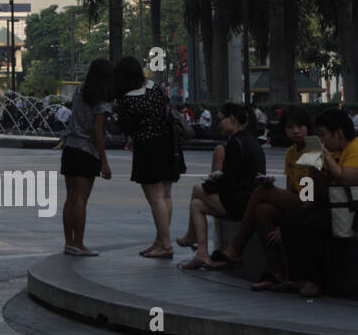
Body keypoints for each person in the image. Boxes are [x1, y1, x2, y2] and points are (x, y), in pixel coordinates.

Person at [205, 105, 312, 277]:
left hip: (311, 203)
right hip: (298, 200)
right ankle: (277, 273)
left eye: (300, 126)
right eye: (290, 127)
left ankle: (235, 248)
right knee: (262, 211)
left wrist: (287, 224)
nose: (295, 131)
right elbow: (292, 188)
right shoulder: (291, 152)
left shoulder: (312, 147)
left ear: (308, 127)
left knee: (262, 192)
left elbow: (309, 194)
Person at [177, 104, 265, 271]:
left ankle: (191, 235)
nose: (219, 125)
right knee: (196, 205)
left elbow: (229, 181)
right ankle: (201, 252)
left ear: (231, 119)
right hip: (246, 198)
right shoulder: (251, 141)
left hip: (240, 201)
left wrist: (211, 183)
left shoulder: (235, 142)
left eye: (220, 120)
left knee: (197, 189)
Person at [113, 55, 183, 258]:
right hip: (170, 143)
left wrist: (131, 138)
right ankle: (161, 240)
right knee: (166, 194)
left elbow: (126, 126)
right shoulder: (156, 88)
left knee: (155, 198)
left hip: (148, 147)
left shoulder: (127, 99)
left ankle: (166, 244)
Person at [61, 58, 114, 257]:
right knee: (81, 200)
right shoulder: (101, 100)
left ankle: (69, 242)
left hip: (70, 148)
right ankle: (79, 243)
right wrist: (104, 162)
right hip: (86, 151)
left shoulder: (80, 92)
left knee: (71, 198)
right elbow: (98, 132)